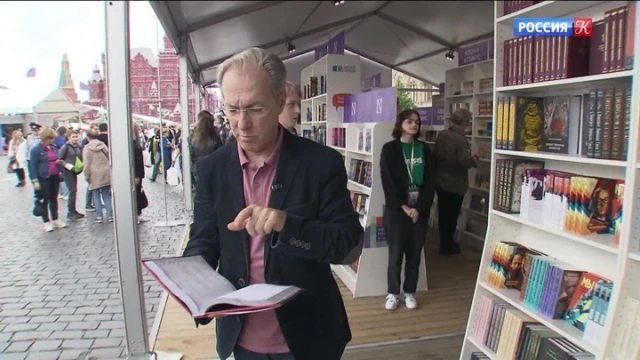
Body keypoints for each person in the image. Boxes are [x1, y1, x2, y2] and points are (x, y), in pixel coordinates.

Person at [183, 47, 363, 360]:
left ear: (280, 101)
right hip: (240, 336)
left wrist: (285, 224)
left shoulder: (320, 164)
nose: (241, 123)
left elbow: (347, 246)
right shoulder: (212, 169)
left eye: (254, 109)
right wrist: (188, 278)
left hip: (309, 337)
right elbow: (204, 239)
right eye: (232, 109)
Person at [379, 109, 435, 311]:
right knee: (395, 255)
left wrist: (418, 208)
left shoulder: (425, 149)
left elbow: (430, 182)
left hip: (419, 212)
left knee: (414, 255)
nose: (414, 125)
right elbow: (388, 181)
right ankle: (393, 293)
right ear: (400, 123)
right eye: (410, 121)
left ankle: (409, 292)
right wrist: (404, 206)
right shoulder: (390, 149)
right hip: (396, 211)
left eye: (417, 122)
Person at [434, 108, 487, 255]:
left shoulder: (442, 135)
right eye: (468, 121)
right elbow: (464, 163)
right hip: (455, 182)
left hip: (440, 180)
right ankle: (448, 245)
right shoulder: (460, 139)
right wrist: (477, 156)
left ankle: (444, 243)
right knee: (452, 214)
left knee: (443, 213)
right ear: (464, 122)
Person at [28, 127, 67, 232]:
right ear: (44, 138)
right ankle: (46, 222)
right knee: (45, 199)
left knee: (54, 198)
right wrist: (35, 180)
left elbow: (57, 159)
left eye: (52, 138)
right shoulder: (36, 150)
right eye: (49, 139)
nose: (51, 140)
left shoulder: (53, 147)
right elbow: (32, 166)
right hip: (43, 177)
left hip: (54, 176)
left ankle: (55, 219)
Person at [83, 130, 113, 223]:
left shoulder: (87, 148)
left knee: (96, 195)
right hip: (105, 171)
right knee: (106, 195)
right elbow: (109, 157)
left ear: (88, 137)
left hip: (94, 173)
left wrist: (86, 176)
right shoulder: (103, 145)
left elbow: (86, 164)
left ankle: (99, 216)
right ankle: (110, 215)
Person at [190, 110, 223, 188]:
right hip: (213, 171)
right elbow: (221, 155)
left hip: (198, 170)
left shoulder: (193, 138)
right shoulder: (215, 137)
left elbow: (190, 156)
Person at [57, 130, 84, 219]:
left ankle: (73, 210)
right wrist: (66, 165)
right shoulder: (65, 147)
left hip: (74, 171)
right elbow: (59, 160)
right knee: (72, 191)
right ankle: (70, 212)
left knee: (74, 190)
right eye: (73, 137)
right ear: (68, 137)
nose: (75, 138)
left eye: (76, 136)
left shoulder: (78, 147)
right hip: (67, 171)